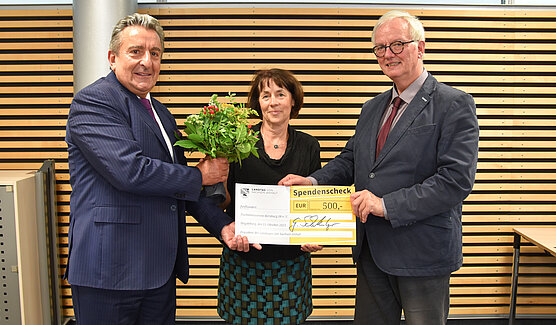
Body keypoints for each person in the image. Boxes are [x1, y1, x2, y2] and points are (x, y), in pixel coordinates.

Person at [279, 10, 479, 325]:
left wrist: (385, 205)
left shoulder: (453, 104)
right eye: (380, 48)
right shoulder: (372, 108)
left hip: (422, 253)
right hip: (372, 250)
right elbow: (351, 160)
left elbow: (454, 181)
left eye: (397, 44)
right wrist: (314, 182)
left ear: (420, 47)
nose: (387, 54)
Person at [65, 13, 250, 325]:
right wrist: (200, 175)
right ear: (112, 58)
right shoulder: (94, 101)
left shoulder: (161, 113)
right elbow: (130, 171)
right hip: (109, 271)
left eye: (155, 53)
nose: (146, 62)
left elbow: (179, 186)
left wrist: (222, 226)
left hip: (158, 271)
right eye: (135, 51)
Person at [217, 68, 323, 324]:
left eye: (280, 94)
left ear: (293, 100)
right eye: (266, 96)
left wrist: (316, 234)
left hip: (291, 265)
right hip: (244, 261)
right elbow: (222, 201)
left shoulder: (310, 146)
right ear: (258, 103)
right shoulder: (237, 143)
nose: (273, 102)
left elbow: (314, 204)